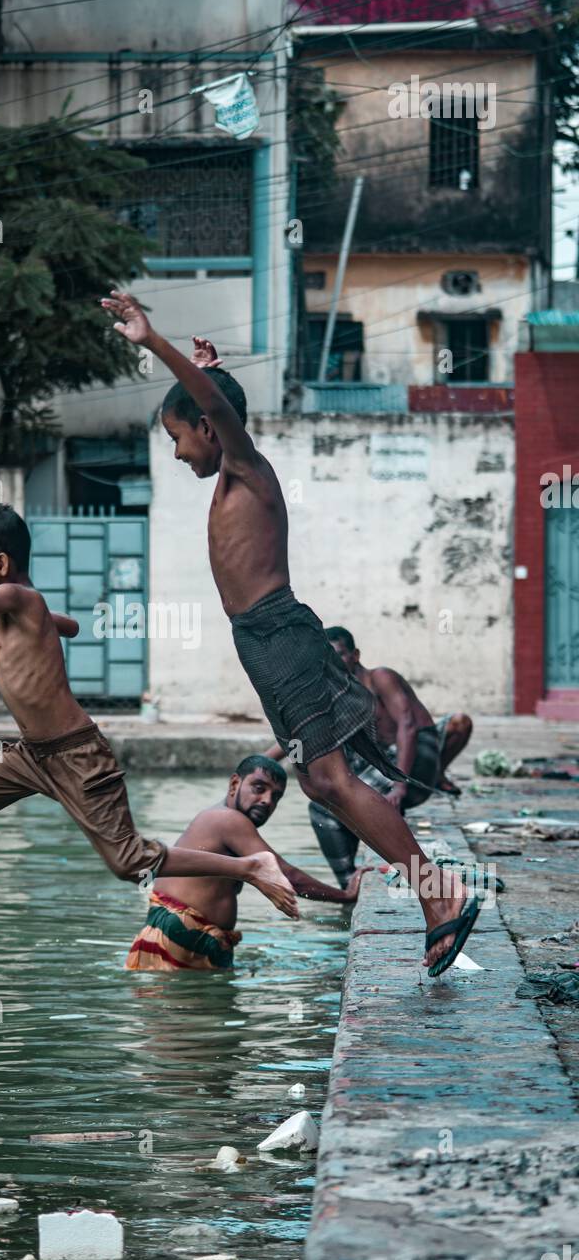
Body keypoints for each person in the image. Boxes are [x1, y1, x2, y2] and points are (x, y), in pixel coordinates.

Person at [100, 293, 477, 978]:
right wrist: (212, 375)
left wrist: (157, 343)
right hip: (264, 647)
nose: (179, 452)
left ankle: (438, 894)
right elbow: (217, 409)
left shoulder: (247, 467)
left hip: (280, 635)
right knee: (322, 784)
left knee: (330, 778)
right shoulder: (227, 477)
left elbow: (218, 413)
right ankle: (433, 892)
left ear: (210, 429)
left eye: (179, 437)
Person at [0, 509, 296, 933]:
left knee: (128, 862)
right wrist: (51, 622)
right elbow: (70, 626)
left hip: (76, 754)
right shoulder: (24, 606)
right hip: (31, 755)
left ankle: (249, 867)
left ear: (0, 564)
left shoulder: (16, 596)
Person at [268, 626, 472, 888]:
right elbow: (297, 737)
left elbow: (407, 725)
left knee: (324, 809)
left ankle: (347, 883)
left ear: (355, 655)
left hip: (417, 759)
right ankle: (351, 880)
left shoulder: (380, 678)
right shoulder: (335, 695)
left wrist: (399, 785)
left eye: (339, 655)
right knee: (328, 799)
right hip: (384, 762)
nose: (332, 663)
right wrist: (262, 762)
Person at [126, 753, 370, 972]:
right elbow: (286, 876)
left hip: (177, 934)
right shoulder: (228, 820)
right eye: (259, 788)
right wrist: (345, 896)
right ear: (234, 784)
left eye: (276, 796)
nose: (266, 800)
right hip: (181, 935)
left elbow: (257, 763)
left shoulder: (219, 815)